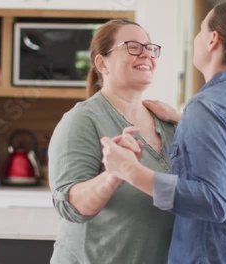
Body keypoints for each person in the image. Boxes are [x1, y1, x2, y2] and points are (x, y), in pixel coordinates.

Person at [100, 1, 226, 263]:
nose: (196, 38)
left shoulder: (207, 106)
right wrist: (186, 121)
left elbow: (212, 202)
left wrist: (129, 170)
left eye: (200, 30)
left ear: (212, 40)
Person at [47, 19, 176, 264]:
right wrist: (114, 175)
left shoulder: (168, 122)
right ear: (101, 63)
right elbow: (70, 206)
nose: (146, 54)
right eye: (133, 47)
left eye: (150, 47)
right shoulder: (82, 120)